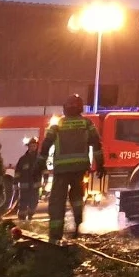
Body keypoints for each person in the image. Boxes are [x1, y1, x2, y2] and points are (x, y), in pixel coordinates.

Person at [39, 95, 102, 244]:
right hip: (79, 168)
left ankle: (55, 235)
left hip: (61, 169)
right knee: (77, 196)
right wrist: (100, 164)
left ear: (65, 108)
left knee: (57, 201)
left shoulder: (58, 124)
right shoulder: (87, 123)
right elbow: (97, 144)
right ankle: (78, 223)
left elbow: (46, 144)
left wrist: (40, 163)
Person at [14, 138, 42, 222]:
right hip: (24, 186)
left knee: (33, 203)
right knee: (23, 203)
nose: (33, 147)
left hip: (35, 186)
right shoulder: (22, 159)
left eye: (34, 146)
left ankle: (30, 217)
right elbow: (17, 172)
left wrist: (46, 179)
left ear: (36, 147)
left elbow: (44, 170)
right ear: (28, 147)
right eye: (31, 146)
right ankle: (22, 219)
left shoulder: (40, 159)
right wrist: (15, 183)